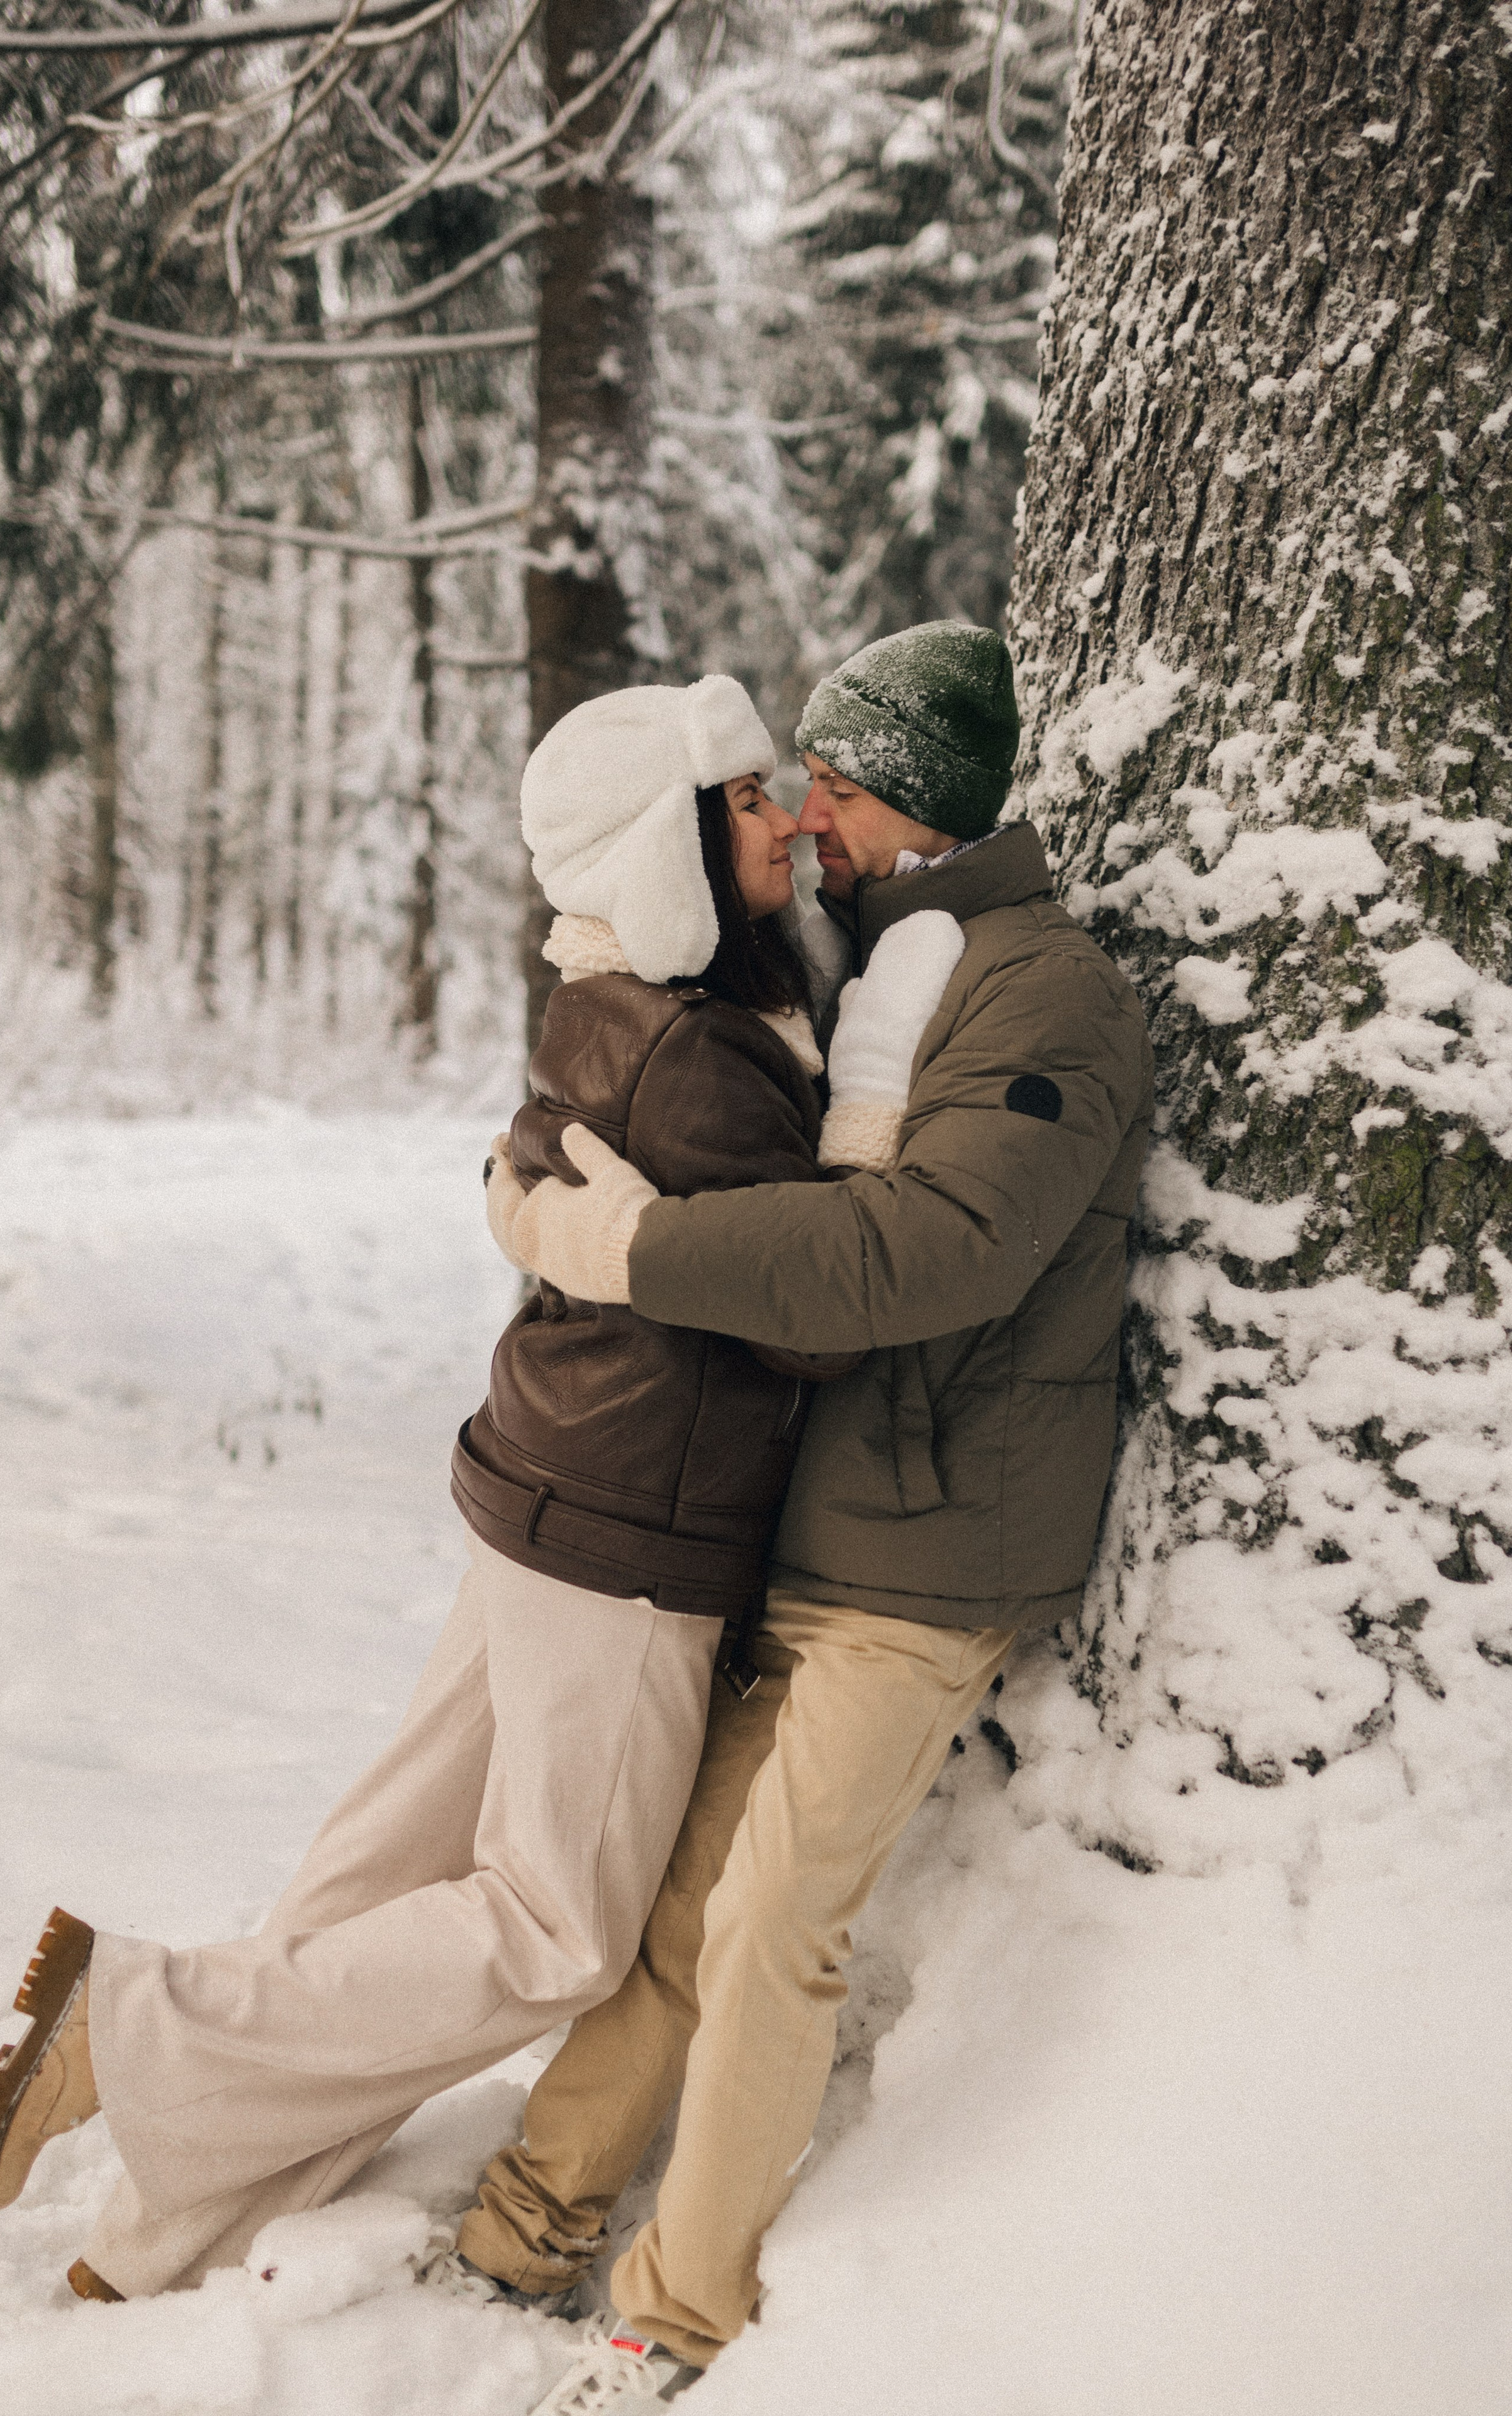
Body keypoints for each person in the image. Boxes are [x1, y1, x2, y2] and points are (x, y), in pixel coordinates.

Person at [0, 672, 958, 2308]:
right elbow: (816, 1320)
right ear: (670, 847)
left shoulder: (621, 1001)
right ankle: (125, 2021)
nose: (788, 822)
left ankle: (162, 2235)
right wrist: (871, 1133)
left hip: (551, 1491)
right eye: (752, 799)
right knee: (555, 1929)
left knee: (380, 1886)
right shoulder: (706, 1057)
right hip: (634, 1531)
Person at [464, 621, 1156, 2410]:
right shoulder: (876, 963)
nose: (806, 821)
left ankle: (675, 2310)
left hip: (935, 1546)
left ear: (917, 805)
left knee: (776, 1915)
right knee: (682, 1902)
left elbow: (933, 1250)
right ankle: (528, 2222)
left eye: (834, 790)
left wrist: (630, 1251)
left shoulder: (1041, 991)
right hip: (818, 1514)